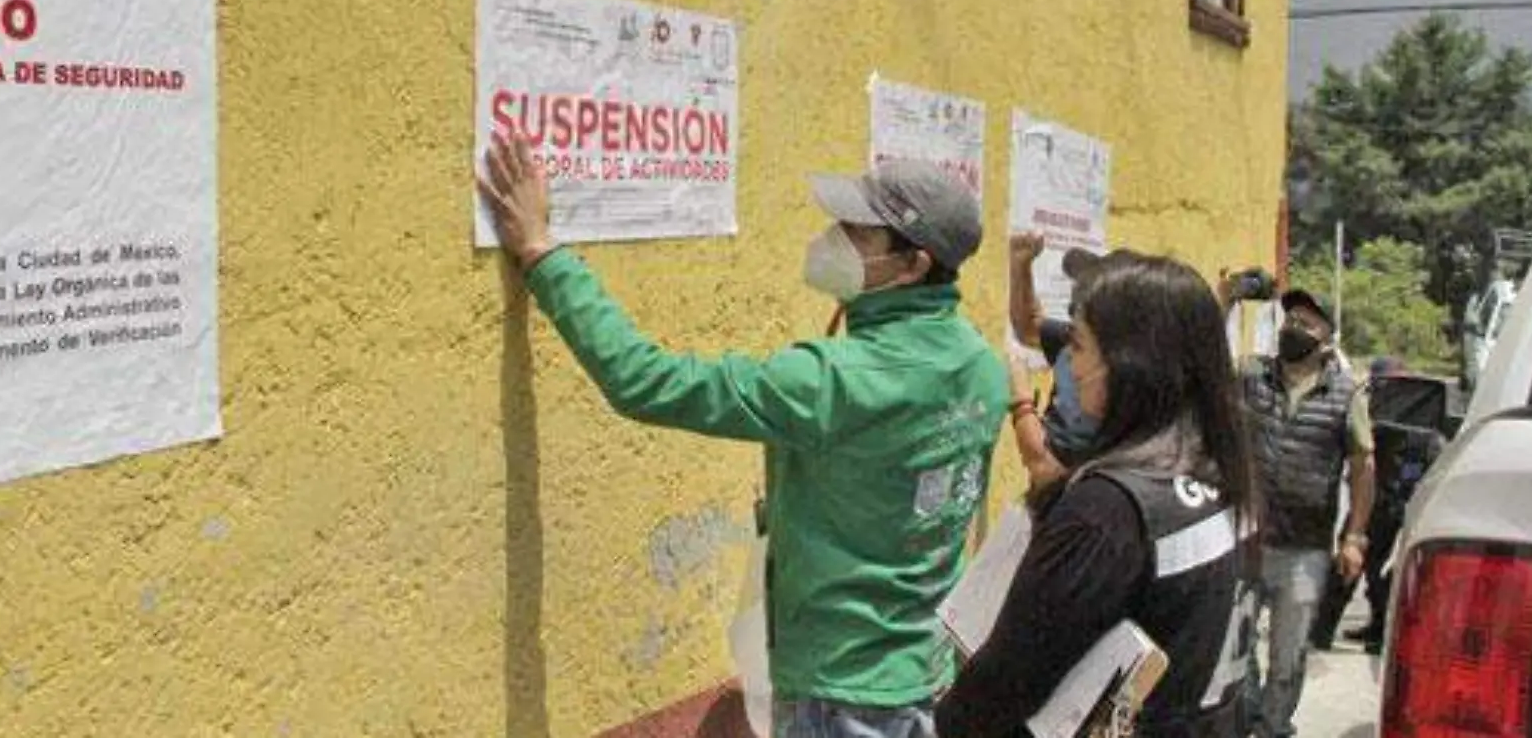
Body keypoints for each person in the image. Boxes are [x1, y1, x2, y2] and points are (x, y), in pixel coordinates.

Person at [479, 135, 1007, 738]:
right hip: (924, 674)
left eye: (858, 234)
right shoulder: (981, 368)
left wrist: (542, 252)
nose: (834, 239)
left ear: (914, 265)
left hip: (840, 696)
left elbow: (645, 382)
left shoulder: (833, 379)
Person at [936, 251, 1260, 738]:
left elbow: (1004, 688)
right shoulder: (1221, 466)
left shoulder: (1110, 510)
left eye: (1079, 345)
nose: (1068, 363)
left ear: (1133, 364)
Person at [1236, 289, 1376, 738]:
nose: (1293, 327)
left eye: (1306, 323)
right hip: (1246, 539)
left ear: (1326, 339)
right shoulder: (1251, 376)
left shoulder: (1346, 395)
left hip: (1305, 550)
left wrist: (1354, 537)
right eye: (1290, 319)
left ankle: (1273, 728)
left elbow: (1362, 468)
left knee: (1289, 655)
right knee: (1235, 647)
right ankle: (1246, 718)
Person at [1309, 357, 1446, 654]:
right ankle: (1379, 630)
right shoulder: (1425, 420)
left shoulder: (1381, 416)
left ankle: (1323, 630)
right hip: (1406, 503)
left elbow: (1361, 458)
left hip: (1377, 500)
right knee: (1379, 569)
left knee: (1350, 565)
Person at [1006, 235, 1139, 485]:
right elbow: (1029, 327)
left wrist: (1021, 401)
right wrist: (1021, 264)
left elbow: (1046, 469)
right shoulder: (1079, 341)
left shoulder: (1108, 384)